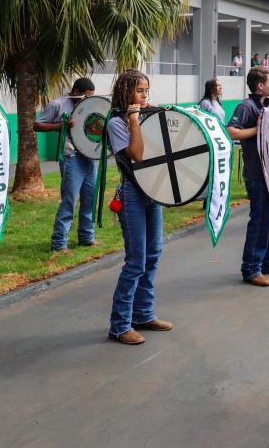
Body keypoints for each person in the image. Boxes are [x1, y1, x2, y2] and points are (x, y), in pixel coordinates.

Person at [105, 69, 172, 345]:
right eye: (139, 90)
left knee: (153, 254)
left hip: (152, 192)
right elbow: (137, 155)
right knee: (136, 261)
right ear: (125, 92)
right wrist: (133, 119)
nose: (145, 95)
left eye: (147, 91)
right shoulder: (117, 123)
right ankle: (120, 325)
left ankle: (143, 314)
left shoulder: (149, 116)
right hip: (132, 193)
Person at [227, 66, 269, 287]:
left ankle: (267, 261)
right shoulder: (247, 106)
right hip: (258, 174)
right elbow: (232, 131)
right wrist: (257, 129)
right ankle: (251, 268)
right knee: (260, 220)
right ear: (260, 86)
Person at [34, 77, 99, 253]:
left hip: (89, 156)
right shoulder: (57, 105)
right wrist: (61, 125)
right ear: (75, 92)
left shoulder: (90, 105)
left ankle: (87, 238)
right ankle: (59, 243)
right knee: (69, 200)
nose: (87, 100)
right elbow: (37, 125)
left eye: (90, 97)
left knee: (90, 199)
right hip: (71, 157)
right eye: (84, 96)